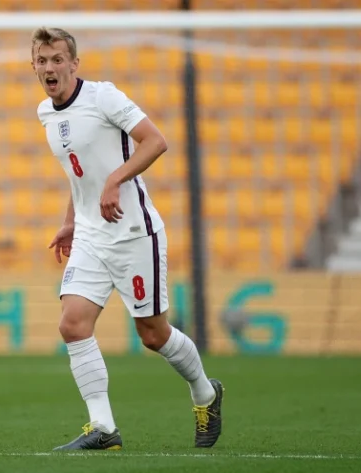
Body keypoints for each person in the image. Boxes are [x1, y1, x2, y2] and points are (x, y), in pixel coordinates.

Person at [32, 27, 224, 451]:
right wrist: (70, 220)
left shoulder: (104, 97)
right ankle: (103, 428)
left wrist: (116, 180)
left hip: (135, 232)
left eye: (58, 59)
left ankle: (205, 394)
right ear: (34, 66)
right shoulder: (46, 113)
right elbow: (78, 172)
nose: (50, 67)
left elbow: (156, 141)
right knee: (72, 325)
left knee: (153, 335)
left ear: (73, 63)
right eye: (42, 61)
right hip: (90, 235)